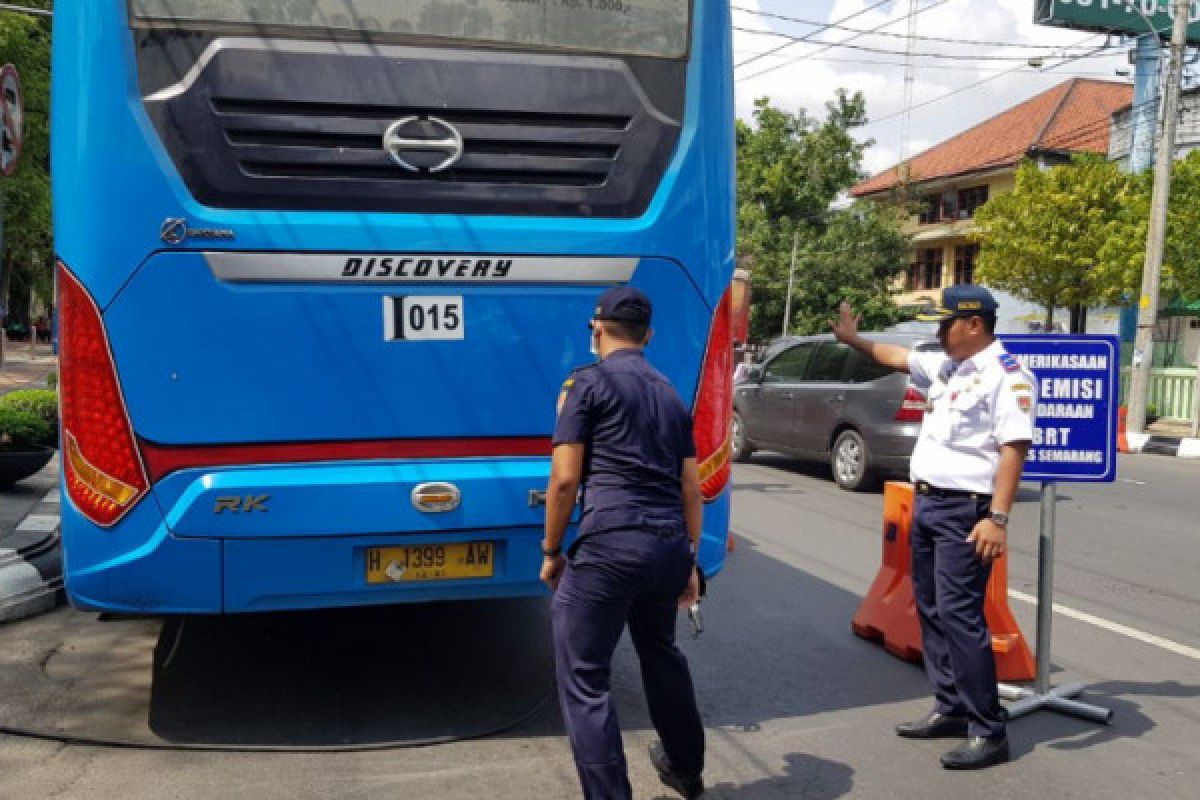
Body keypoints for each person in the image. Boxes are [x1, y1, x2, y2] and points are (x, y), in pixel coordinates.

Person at [830, 285, 1035, 770]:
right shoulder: (950, 366)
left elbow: (1014, 447)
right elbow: (899, 356)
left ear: (975, 326)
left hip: (967, 511)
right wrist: (853, 340)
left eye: (946, 325)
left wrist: (997, 518)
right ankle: (951, 706)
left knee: (962, 619)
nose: (938, 333)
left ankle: (989, 729)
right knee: (932, 609)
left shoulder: (1007, 376)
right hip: (927, 504)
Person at [541, 286, 706, 799]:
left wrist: (551, 552)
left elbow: (565, 481)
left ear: (596, 328)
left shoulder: (583, 386)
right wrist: (691, 562)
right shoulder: (670, 392)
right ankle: (685, 768)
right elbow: (691, 487)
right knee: (660, 651)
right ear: (648, 335)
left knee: (586, 679)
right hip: (668, 547)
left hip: (611, 545)